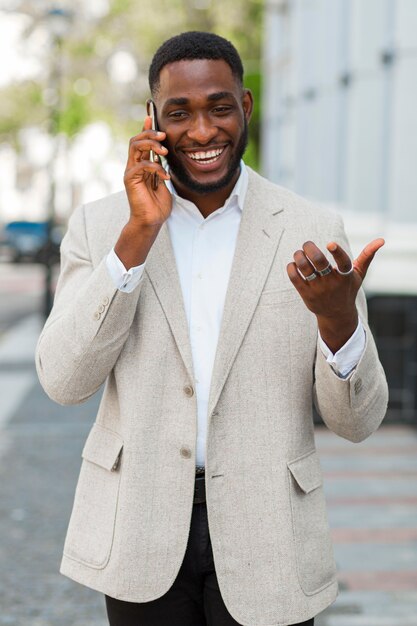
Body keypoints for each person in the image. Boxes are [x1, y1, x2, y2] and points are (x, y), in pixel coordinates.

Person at [36, 31, 388, 626]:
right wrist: (136, 239)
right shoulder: (103, 227)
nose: (202, 132)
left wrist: (337, 319)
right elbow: (64, 382)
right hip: (138, 527)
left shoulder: (309, 227)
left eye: (218, 107)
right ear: (152, 120)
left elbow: (357, 423)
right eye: (179, 113)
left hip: (269, 532)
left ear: (245, 107)